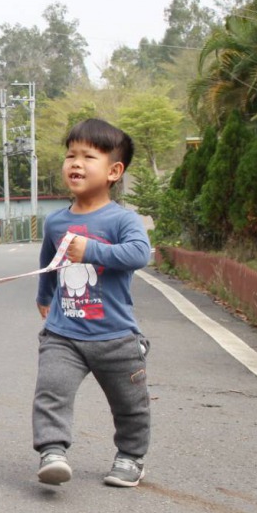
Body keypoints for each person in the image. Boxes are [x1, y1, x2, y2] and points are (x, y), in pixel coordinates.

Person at [33, 118, 152, 488]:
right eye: (70, 155)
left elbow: (140, 253)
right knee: (51, 388)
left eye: (88, 156)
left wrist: (92, 250)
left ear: (114, 171)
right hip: (63, 333)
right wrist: (44, 297)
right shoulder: (56, 222)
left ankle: (131, 458)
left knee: (130, 405)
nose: (76, 163)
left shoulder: (123, 220)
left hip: (115, 336)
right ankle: (52, 451)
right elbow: (48, 264)